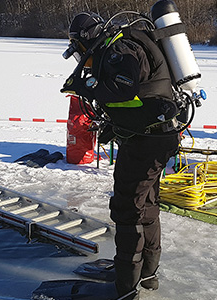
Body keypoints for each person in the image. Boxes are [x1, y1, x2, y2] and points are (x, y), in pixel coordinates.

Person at [62, 12, 182, 299]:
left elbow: (123, 88)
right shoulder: (122, 45)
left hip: (146, 142)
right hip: (153, 136)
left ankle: (125, 287)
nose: (81, 58)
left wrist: (85, 86)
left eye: (78, 49)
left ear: (85, 40)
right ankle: (147, 274)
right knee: (147, 204)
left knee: (128, 209)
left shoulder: (118, 50)